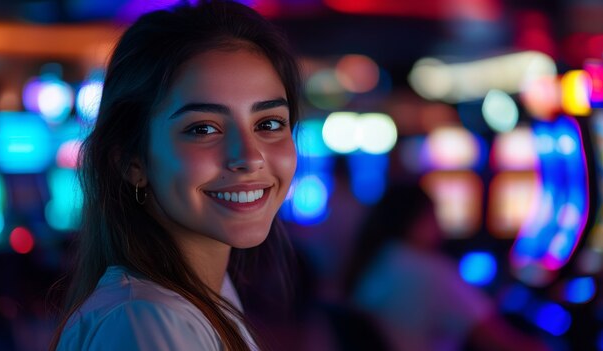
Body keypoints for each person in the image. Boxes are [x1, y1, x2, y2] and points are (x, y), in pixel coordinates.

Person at [50, 1, 301, 350]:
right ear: (131, 161)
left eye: (269, 124)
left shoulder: (202, 295)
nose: (248, 157)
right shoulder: (146, 318)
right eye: (203, 129)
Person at [343, 182, 551, 351]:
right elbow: (501, 343)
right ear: (414, 221)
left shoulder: (378, 261)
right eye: (434, 217)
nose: (442, 228)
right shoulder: (430, 272)